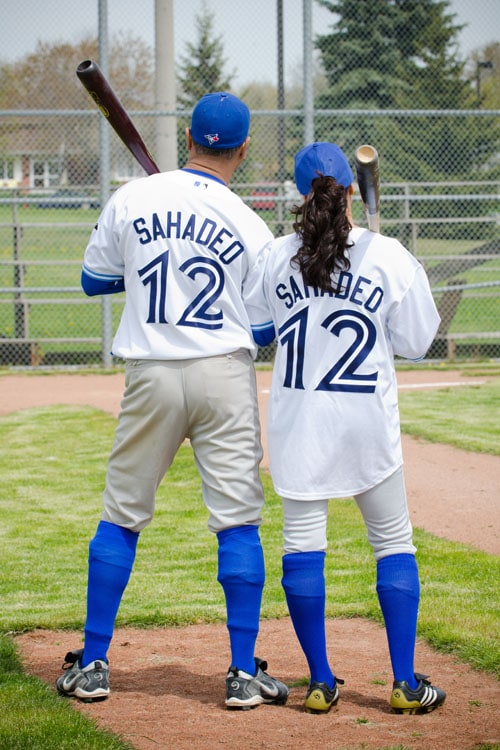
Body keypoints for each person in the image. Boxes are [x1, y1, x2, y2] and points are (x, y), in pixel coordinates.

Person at [55, 91, 289, 711]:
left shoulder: (133, 197)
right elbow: (263, 326)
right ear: (242, 148)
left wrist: (155, 254)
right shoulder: (248, 219)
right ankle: (242, 673)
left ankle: (96, 662)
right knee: (237, 519)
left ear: (189, 136)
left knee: (122, 513)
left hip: (151, 371)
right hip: (224, 374)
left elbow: (91, 279)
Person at [246, 142, 446, 715]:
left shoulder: (274, 255)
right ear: (350, 192)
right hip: (367, 426)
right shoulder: (388, 254)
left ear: (297, 193)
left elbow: (260, 332)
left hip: (299, 425)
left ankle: (319, 681)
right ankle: (405, 682)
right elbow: (414, 343)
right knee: (392, 543)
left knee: (303, 548)